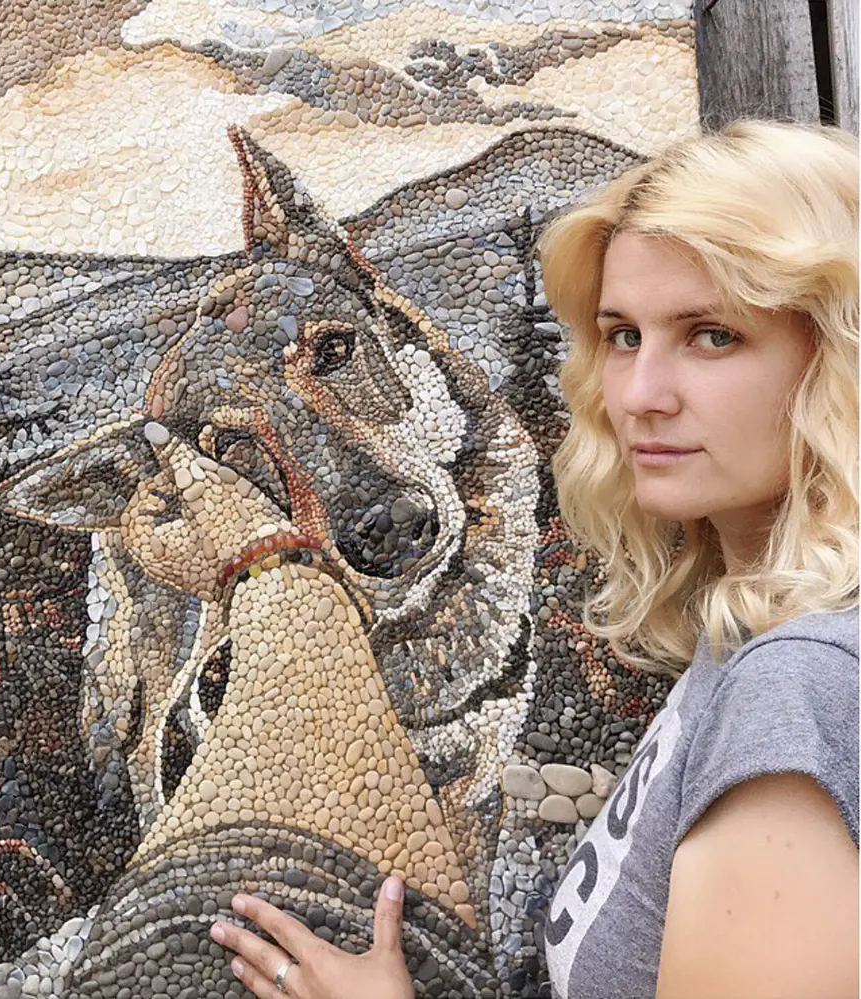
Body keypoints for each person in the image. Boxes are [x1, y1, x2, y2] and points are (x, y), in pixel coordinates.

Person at [207, 119, 860, 999]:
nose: (639, 395)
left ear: (838, 356)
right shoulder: (758, 626)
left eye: (713, 335)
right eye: (623, 335)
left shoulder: (795, 686)